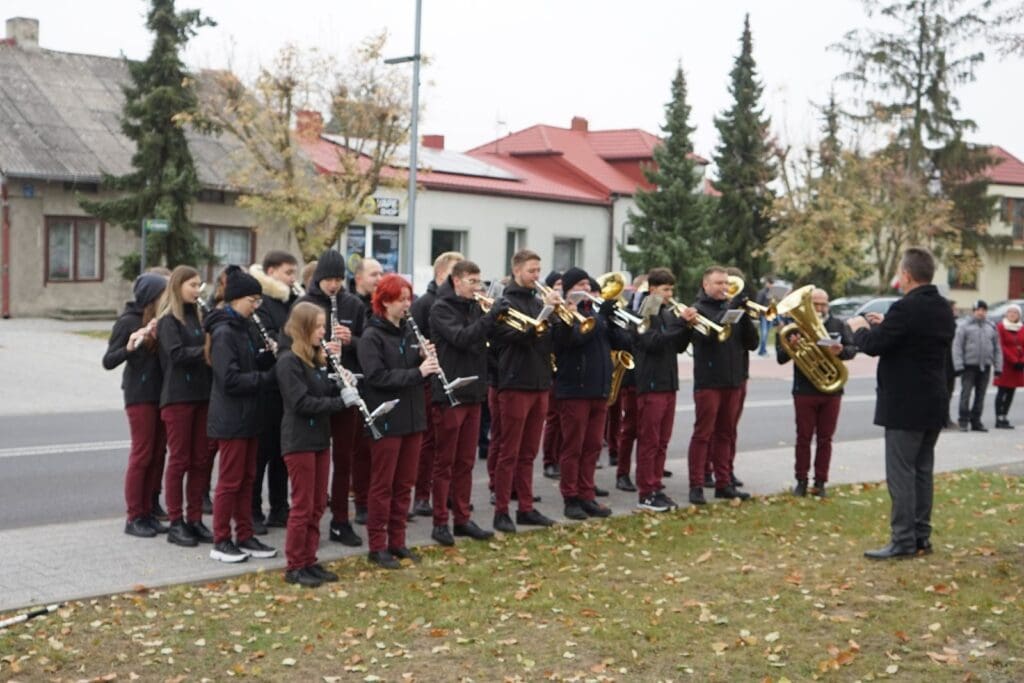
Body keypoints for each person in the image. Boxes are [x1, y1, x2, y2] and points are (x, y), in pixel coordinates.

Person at [847, 247, 955, 560]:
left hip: (905, 404)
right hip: (933, 400)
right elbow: (910, 339)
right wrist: (886, 323)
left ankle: (903, 540)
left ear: (906, 275)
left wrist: (861, 329)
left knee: (902, 473)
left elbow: (875, 345)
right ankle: (921, 536)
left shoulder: (905, 308)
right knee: (922, 470)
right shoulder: (942, 308)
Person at [357, 274, 439, 569]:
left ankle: (398, 541)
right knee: (383, 485)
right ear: (386, 302)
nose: (408, 305)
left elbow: (411, 369)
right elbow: (376, 377)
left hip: (413, 418)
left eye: (409, 299)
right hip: (388, 418)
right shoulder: (371, 336)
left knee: (405, 483)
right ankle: (377, 546)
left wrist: (424, 358)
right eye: (402, 300)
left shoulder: (407, 331)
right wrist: (419, 372)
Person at [204, 266, 279, 563]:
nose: (256, 306)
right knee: (230, 481)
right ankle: (221, 539)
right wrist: (268, 378)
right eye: (253, 300)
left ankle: (245, 535)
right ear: (236, 299)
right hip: (231, 417)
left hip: (249, 416)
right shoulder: (224, 331)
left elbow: (247, 363)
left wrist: (266, 357)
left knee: (248, 479)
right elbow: (230, 379)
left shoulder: (244, 327)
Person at [276, 302, 352, 587]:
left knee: (319, 503)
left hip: (320, 437)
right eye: (319, 326)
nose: (324, 332)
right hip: (299, 440)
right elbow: (301, 402)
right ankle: (295, 565)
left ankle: (309, 559)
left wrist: (341, 383)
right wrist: (339, 402)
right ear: (305, 327)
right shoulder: (288, 361)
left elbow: (320, 390)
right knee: (303, 505)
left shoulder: (315, 358)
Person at [427, 259, 501, 545]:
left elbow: (485, 340)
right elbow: (461, 338)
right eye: (472, 281)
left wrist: (494, 319)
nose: (477, 287)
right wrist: (490, 317)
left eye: (479, 281)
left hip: (474, 392)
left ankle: (462, 518)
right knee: (445, 461)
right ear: (456, 281)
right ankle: (439, 522)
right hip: (450, 393)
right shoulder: (441, 308)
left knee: (466, 462)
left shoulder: (474, 306)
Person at [296, 250, 366, 546]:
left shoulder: (353, 304)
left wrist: (351, 342)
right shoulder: (303, 305)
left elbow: (368, 347)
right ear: (318, 278)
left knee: (344, 458)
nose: (334, 286)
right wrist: (320, 353)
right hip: (315, 391)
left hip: (345, 388)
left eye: (339, 279)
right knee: (316, 460)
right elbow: (292, 349)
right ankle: (309, 522)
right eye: (329, 280)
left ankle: (340, 520)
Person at [490, 249, 560, 533]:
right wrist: (538, 326)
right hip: (515, 382)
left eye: (538, 270)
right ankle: (502, 511)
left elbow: (553, 342)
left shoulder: (536, 299)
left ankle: (526, 507)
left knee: (530, 451)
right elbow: (503, 337)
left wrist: (554, 314)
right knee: (510, 450)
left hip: (540, 382)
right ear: (517, 270)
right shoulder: (504, 301)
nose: (536, 276)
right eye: (531, 270)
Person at [103, 272, 169, 538]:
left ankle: (149, 509)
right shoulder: (128, 321)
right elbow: (108, 360)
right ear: (152, 298)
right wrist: (131, 347)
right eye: (164, 295)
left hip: (162, 395)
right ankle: (134, 516)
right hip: (139, 395)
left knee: (157, 454)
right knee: (142, 454)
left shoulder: (164, 321)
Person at [552, 267, 621, 520]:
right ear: (569, 290)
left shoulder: (596, 314)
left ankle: (586, 493)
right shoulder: (564, 315)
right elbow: (571, 342)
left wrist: (612, 321)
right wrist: (600, 319)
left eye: (589, 286)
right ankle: (570, 497)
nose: (587, 290)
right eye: (580, 285)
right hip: (574, 389)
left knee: (592, 446)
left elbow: (621, 342)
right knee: (573, 447)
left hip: (599, 389)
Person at [686, 266, 759, 505]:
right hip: (709, 381)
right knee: (703, 434)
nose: (724, 288)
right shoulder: (697, 310)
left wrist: (745, 315)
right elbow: (704, 337)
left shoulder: (734, 308)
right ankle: (696, 485)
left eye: (726, 283)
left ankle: (724, 483)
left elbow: (752, 343)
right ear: (706, 285)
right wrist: (730, 309)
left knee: (726, 434)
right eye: (719, 283)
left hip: (733, 380)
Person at [776, 288, 857, 497]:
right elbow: (780, 357)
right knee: (803, 437)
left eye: (824, 304)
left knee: (825, 439)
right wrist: (790, 347)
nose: (820, 309)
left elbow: (852, 350)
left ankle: (820, 482)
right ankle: (801, 480)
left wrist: (841, 351)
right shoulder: (795, 328)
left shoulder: (838, 325)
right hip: (804, 389)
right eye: (816, 304)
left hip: (832, 390)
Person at [157, 265, 214, 548]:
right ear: (178, 286)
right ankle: (176, 521)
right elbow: (176, 354)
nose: (197, 290)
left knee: (201, 459)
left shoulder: (198, 316)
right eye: (193, 284)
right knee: (179, 460)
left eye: (199, 284)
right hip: (178, 397)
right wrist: (205, 352)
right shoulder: (169, 320)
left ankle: (195, 519)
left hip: (202, 395)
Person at [633, 268, 693, 511]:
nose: (670, 294)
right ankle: (646, 492)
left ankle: (656, 486)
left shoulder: (668, 313)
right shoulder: (646, 311)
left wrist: (687, 328)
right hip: (651, 383)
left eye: (671, 289)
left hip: (668, 382)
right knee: (650, 440)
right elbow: (652, 341)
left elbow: (677, 346)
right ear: (652, 289)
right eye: (665, 289)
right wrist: (680, 324)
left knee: (662, 441)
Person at [410, 251, 465, 518]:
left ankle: (451, 495)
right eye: (457, 273)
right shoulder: (424, 303)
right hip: (431, 380)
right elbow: (413, 340)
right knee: (430, 442)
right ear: (442, 274)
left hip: (455, 378)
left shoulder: (460, 303)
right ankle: (421, 496)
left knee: (454, 445)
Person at [249, 251, 300, 533]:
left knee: (283, 453)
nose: (293, 279)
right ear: (270, 272)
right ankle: (253, 510)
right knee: (261, 455)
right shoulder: (263, 303)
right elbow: (268, 339)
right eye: (288, 273)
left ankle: (280, 508)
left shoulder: (293, 300)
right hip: (268, 387)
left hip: (286, 389)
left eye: (294, 273)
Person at [952, 300, 1001, 431]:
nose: (981, 312)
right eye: (978, 310)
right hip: (968, 366)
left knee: (981, 395)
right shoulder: (964, 326)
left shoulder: (991, 327)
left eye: (984, 310)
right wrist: (958, 365)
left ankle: (976, 421)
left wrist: (998, 367)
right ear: (973, 311)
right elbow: (957, 347)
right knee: (966, 394)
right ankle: (963, 420)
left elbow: (997, 348)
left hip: (985, 366)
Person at [541, 270, 564, 480]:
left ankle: (558, 458)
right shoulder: (544, 304)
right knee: (553, 418)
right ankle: (549, 460)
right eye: (556, 284)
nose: (560, 287)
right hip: (549, 369)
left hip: (564, 368)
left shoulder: (564, 306)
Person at [993, 304, 1024, 429]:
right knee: (1002, 391)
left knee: (1011, 391)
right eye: (1010, 312)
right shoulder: (1001, 327)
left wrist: (1021, 360)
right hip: (1005, 364)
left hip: (1018, 365)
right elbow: (1001, 345)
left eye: (1015, 312)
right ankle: (998, 417)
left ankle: (1005, 415)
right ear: (1006, 314)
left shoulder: (1022, 328)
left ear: (1019, 315)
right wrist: (1013, 360)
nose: (1012, 314)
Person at [756, 276, 774, 356]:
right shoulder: (762, 292)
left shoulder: (772, 293)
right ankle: (762, 350)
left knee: (767, 334)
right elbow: (758, 303)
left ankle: (763, 350)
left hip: (770, 314)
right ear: (767, 284)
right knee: (764, 333)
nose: (771, 285)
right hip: (763, 315)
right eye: (770, 284)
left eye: (772, 284)